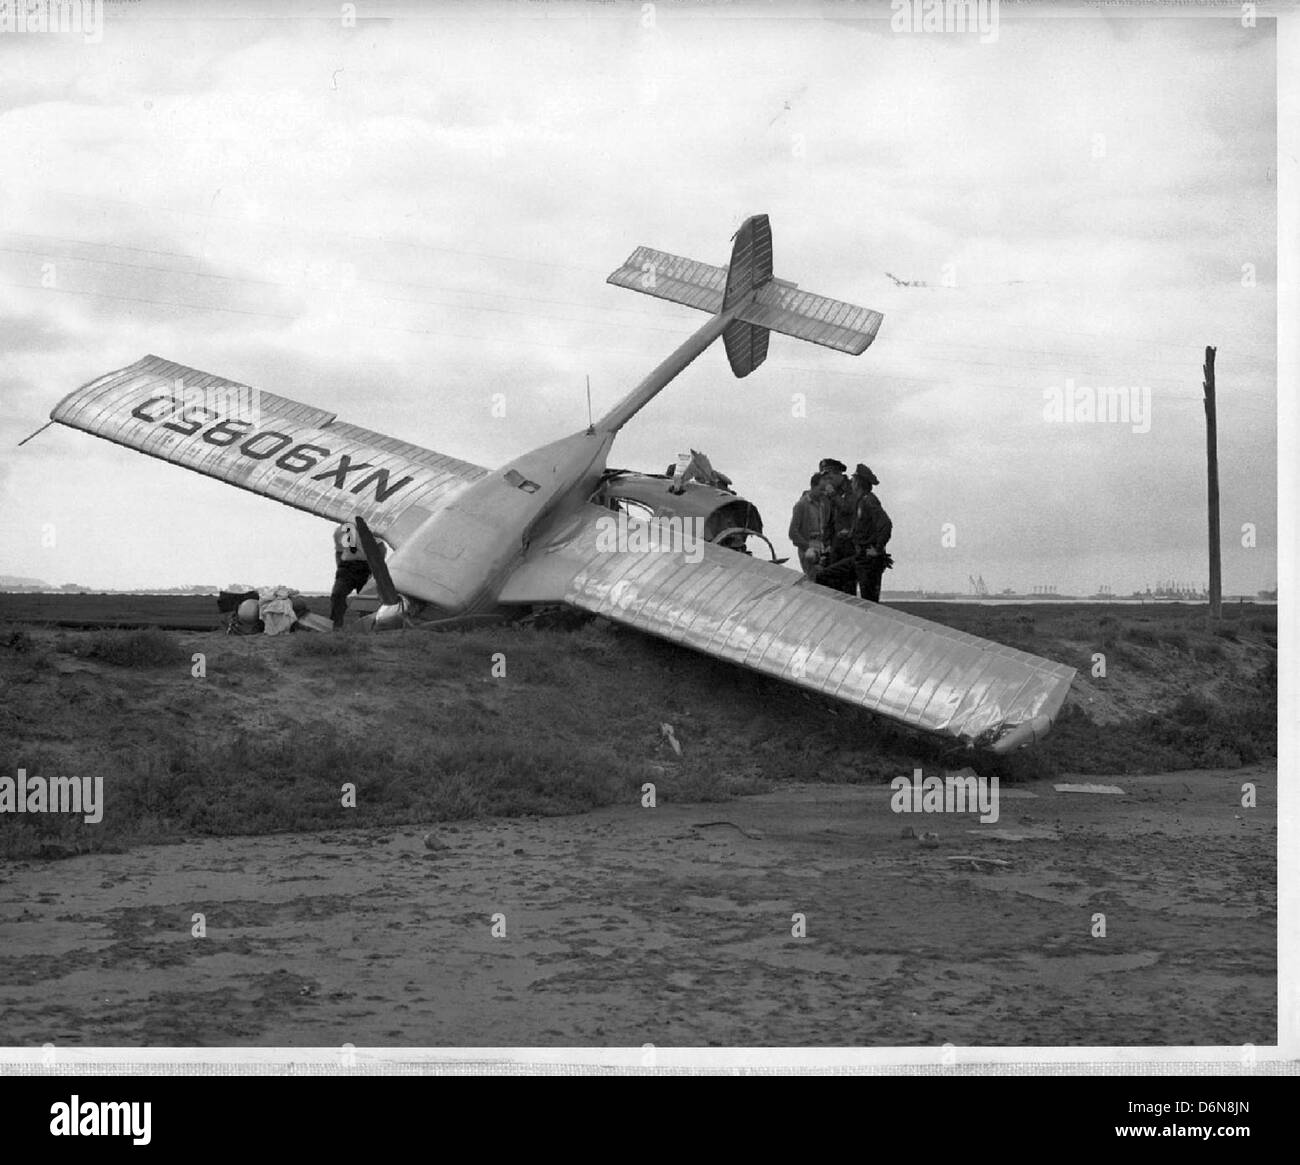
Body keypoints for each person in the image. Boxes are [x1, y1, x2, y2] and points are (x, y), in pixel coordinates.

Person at [849, 463, 892, 602]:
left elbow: (885, 524)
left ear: (858, 483)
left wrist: (878, 548)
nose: (851, 483)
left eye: (853, 480)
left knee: (869, 602)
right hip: (862, 557)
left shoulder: (869, 501)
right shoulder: (861, 501)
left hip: (869, 560)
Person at [816, 458, 858, 594]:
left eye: (829, 477)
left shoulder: (852, 489)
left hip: (850, 545)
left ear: (838, 474)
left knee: (847, 587)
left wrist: (833, 494)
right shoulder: (832, 493)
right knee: (832, 587)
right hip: (835, 545)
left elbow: (848, 508)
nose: (827, 481)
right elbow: (828, 521)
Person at [331, 519, 374, 630]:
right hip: (347, 567)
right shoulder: (339, 531)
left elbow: (380, 549)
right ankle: (337, 625)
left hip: (366, 566)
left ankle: (366, 626)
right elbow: (339, 551)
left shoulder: (369, 528)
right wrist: (340, 566)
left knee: (366, 598)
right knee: (337, 594)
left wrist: (375, 570)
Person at [788, 472, 830, 579]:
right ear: (813, 486)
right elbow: (793, 532)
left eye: (824, 489)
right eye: (821, 489)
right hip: (808, 547)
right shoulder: (801, 505)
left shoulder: (823, 504)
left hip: (821, 546)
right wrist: (807, 547)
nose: (823, 492)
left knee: (822, 579)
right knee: (814, 579)